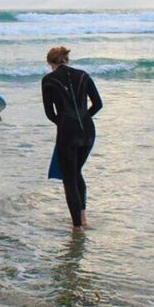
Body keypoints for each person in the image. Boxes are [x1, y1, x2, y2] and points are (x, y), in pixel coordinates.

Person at [41, 47, 102, 229]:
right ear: (66, 59)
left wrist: (65, 124)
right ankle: (83, 218)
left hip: (68, 132)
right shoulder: (83, 75)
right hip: (89, 132)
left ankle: (77, 228)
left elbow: (49, 113)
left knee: (69, 179)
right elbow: (98, 104)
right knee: (76, 172)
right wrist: (83, 119)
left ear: (50, 63)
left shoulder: (48, 80)